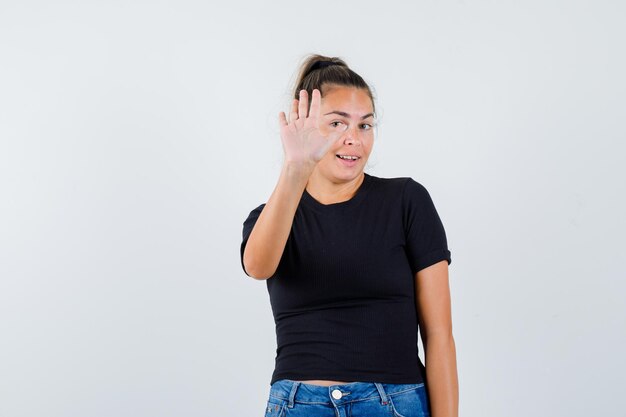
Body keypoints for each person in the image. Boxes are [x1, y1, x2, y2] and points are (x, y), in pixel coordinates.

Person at [240, 54, 459, 417]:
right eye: (338, 124)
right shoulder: (270, 218)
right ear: (303, 124)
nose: (353, 140)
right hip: (298, 405)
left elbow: (439, 336)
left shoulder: (406, 201)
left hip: (393, 403)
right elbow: (258, 265)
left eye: (365, 126)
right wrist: (296, 166)